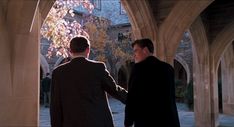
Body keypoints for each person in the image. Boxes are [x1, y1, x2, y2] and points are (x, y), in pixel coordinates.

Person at [50, 36, 127, 127]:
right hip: (97, 122)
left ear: (70, 51)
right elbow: (115, 90)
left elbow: (55, 106)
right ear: (88, 50)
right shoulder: (98, 68)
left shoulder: (58, 73)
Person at [124, 38, 180, 127]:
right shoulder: (168, 68)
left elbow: (132, 98)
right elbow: (171, 97)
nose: (134, 55)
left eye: (136, 51)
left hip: (147, 121)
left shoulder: (138, 69)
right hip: (169, 121)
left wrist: (128, 122)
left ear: (145, 50)